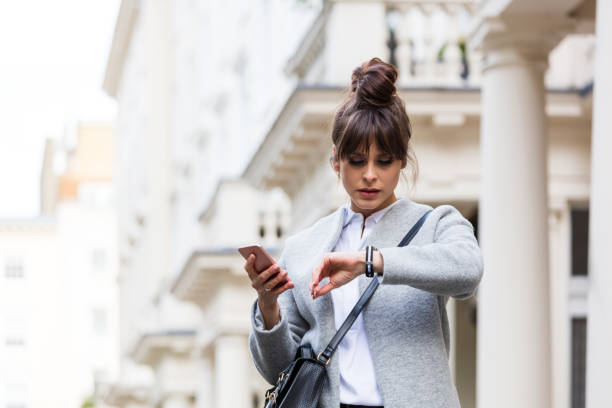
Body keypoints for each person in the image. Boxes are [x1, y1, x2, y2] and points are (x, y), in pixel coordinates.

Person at [244, 58, 484, 408]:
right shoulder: (302, 248)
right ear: (336, 162)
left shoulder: (435, 224)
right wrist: (267, 306)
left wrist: (369, 262)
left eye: (384, 161)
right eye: (357, 161)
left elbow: (468, 270)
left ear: (402, 160)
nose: (370, 175)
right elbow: (279, 368)